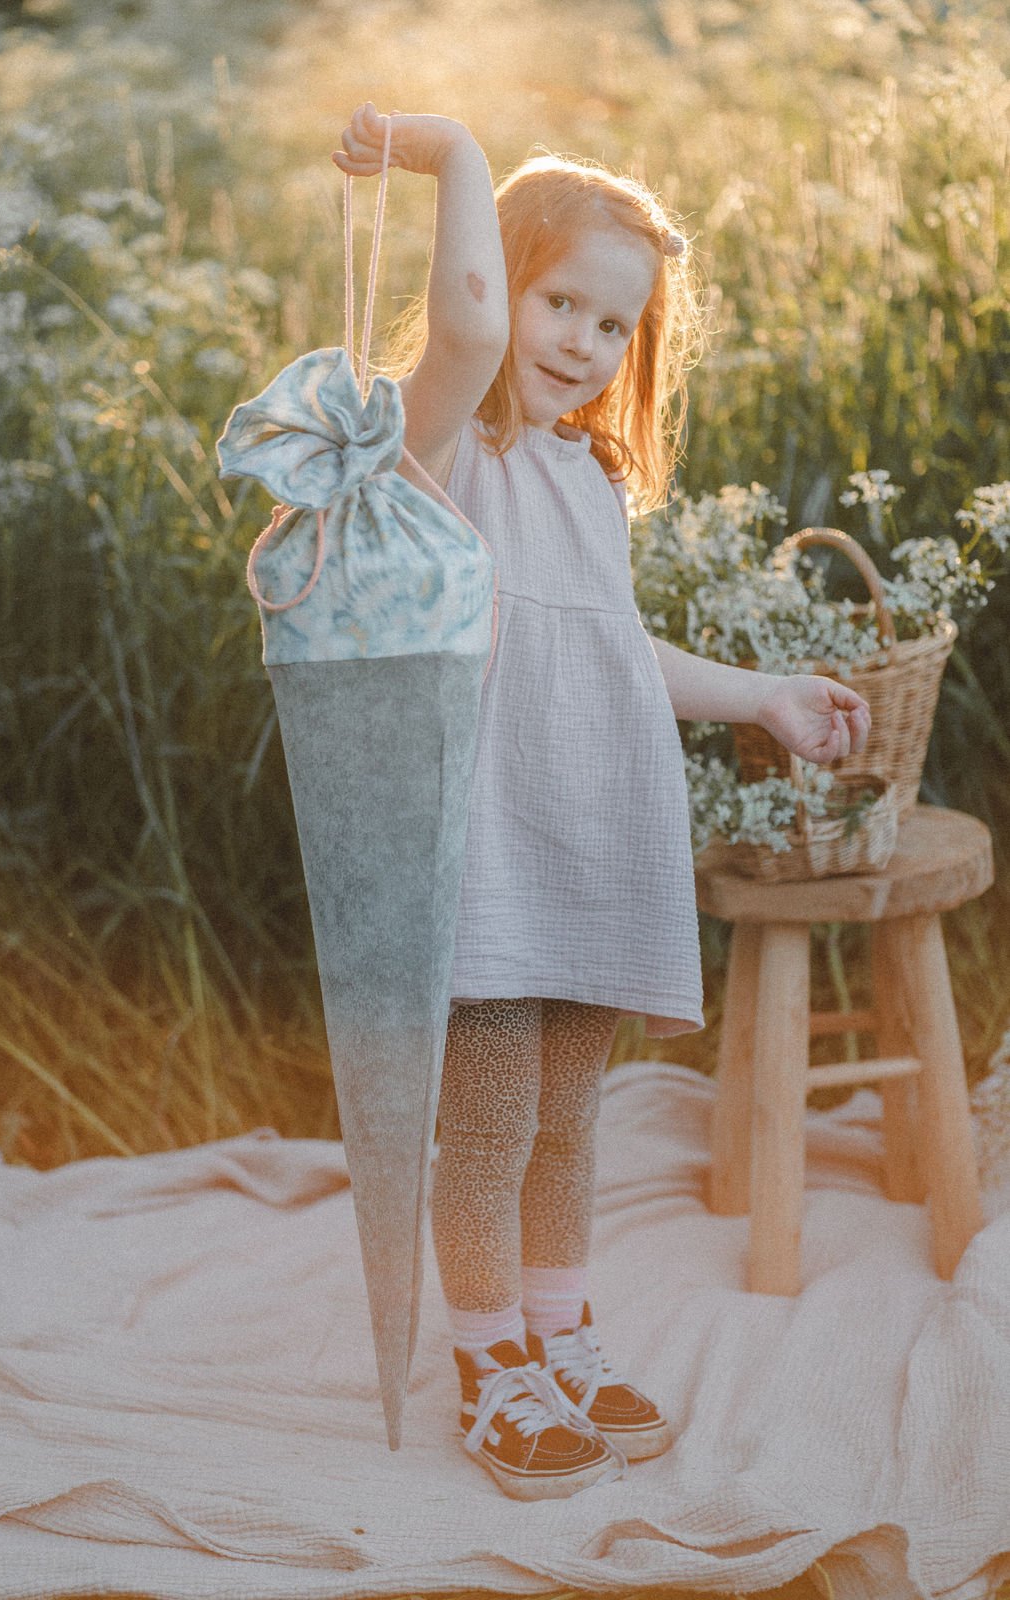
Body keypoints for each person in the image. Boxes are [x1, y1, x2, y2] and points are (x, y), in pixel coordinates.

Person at [332, 103, 872, 1501]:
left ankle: (561, 1335)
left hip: (587, 841)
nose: (579, 339)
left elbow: (612, 653)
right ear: (500, 279)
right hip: (490, 845)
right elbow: (456, 330)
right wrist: (454, 156)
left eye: (613, 323)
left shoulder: (585, 476)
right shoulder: (440, 449)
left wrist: (760, 695)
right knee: (495, 1115)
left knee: (575, 1117)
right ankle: (488, 1362)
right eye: (555, 298)